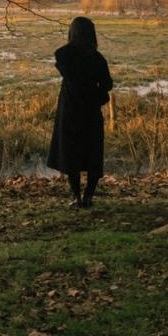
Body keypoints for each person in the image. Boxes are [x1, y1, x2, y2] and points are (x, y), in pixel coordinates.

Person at [47, 16, 114, 208]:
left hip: (69, 113)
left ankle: (76, 197)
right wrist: (99, 95)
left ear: (72, 32)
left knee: (70, 155)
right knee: (93, 154)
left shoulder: (63, 55)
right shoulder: (97, 58)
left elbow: (72, 79)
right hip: (91, 113)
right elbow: (107, 84)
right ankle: (88, 197)